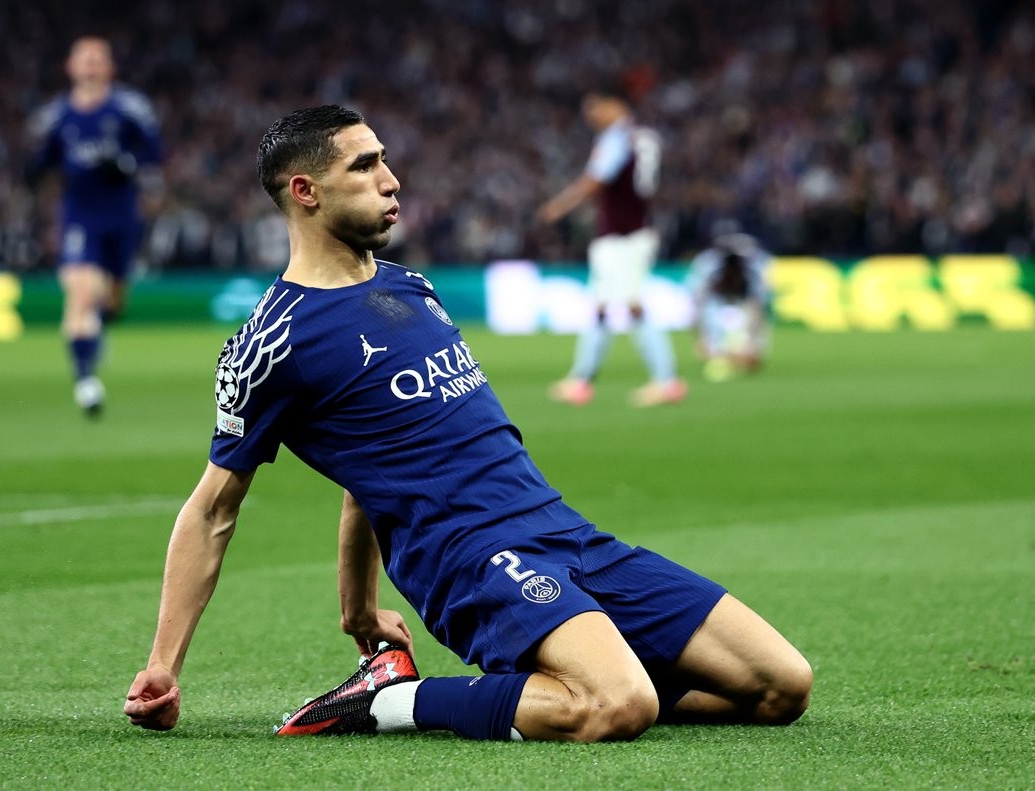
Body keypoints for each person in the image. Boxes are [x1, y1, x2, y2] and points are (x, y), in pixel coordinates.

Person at [123, 106, 811, 742]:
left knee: (782, 685)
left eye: (384, 159)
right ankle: (393, 702)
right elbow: (212, 510)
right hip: (472, 557)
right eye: (363, 166)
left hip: (563, 530)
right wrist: (162, 665)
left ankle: (573, 682)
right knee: (617, 705)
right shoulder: (273, 343)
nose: (391, 179)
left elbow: (365, 472)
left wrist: (358, 608)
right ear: (305, 192)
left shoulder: (408, 286)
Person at [26, 36, 164, 417]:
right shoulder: (55, 116)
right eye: (83, 59)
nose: (90, 66)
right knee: (82, 292)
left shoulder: (130, 108)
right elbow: (41, 160)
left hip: (121, 217)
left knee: (113, 302)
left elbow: (154, 153)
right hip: (79, 216)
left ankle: (97, 328)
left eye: (97, 60)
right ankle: (86, 379)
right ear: (70, 67)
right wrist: (33, 173)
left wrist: (126, 164)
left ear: (109, 68)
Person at [538, 84, 687, 407]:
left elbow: (596, 179)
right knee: (603, 305)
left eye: (595, 107)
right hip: (633, 231)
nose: (590, 115)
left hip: (622, 236)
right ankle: (582, 379)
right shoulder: (643, 137)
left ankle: (666, 381)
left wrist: (559, 206)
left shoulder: (616, 139)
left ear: (615, 104)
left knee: (630, 304)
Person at [687, 230, 772, 382]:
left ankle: (738, 352)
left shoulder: (757, 268)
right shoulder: (706, 266)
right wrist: (701, 342)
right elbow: (698, 308)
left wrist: (755, 347)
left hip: (743, 296)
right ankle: (719, 351)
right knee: (711, 316)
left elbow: (758, 311)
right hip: (716, 297)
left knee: (747, 330)